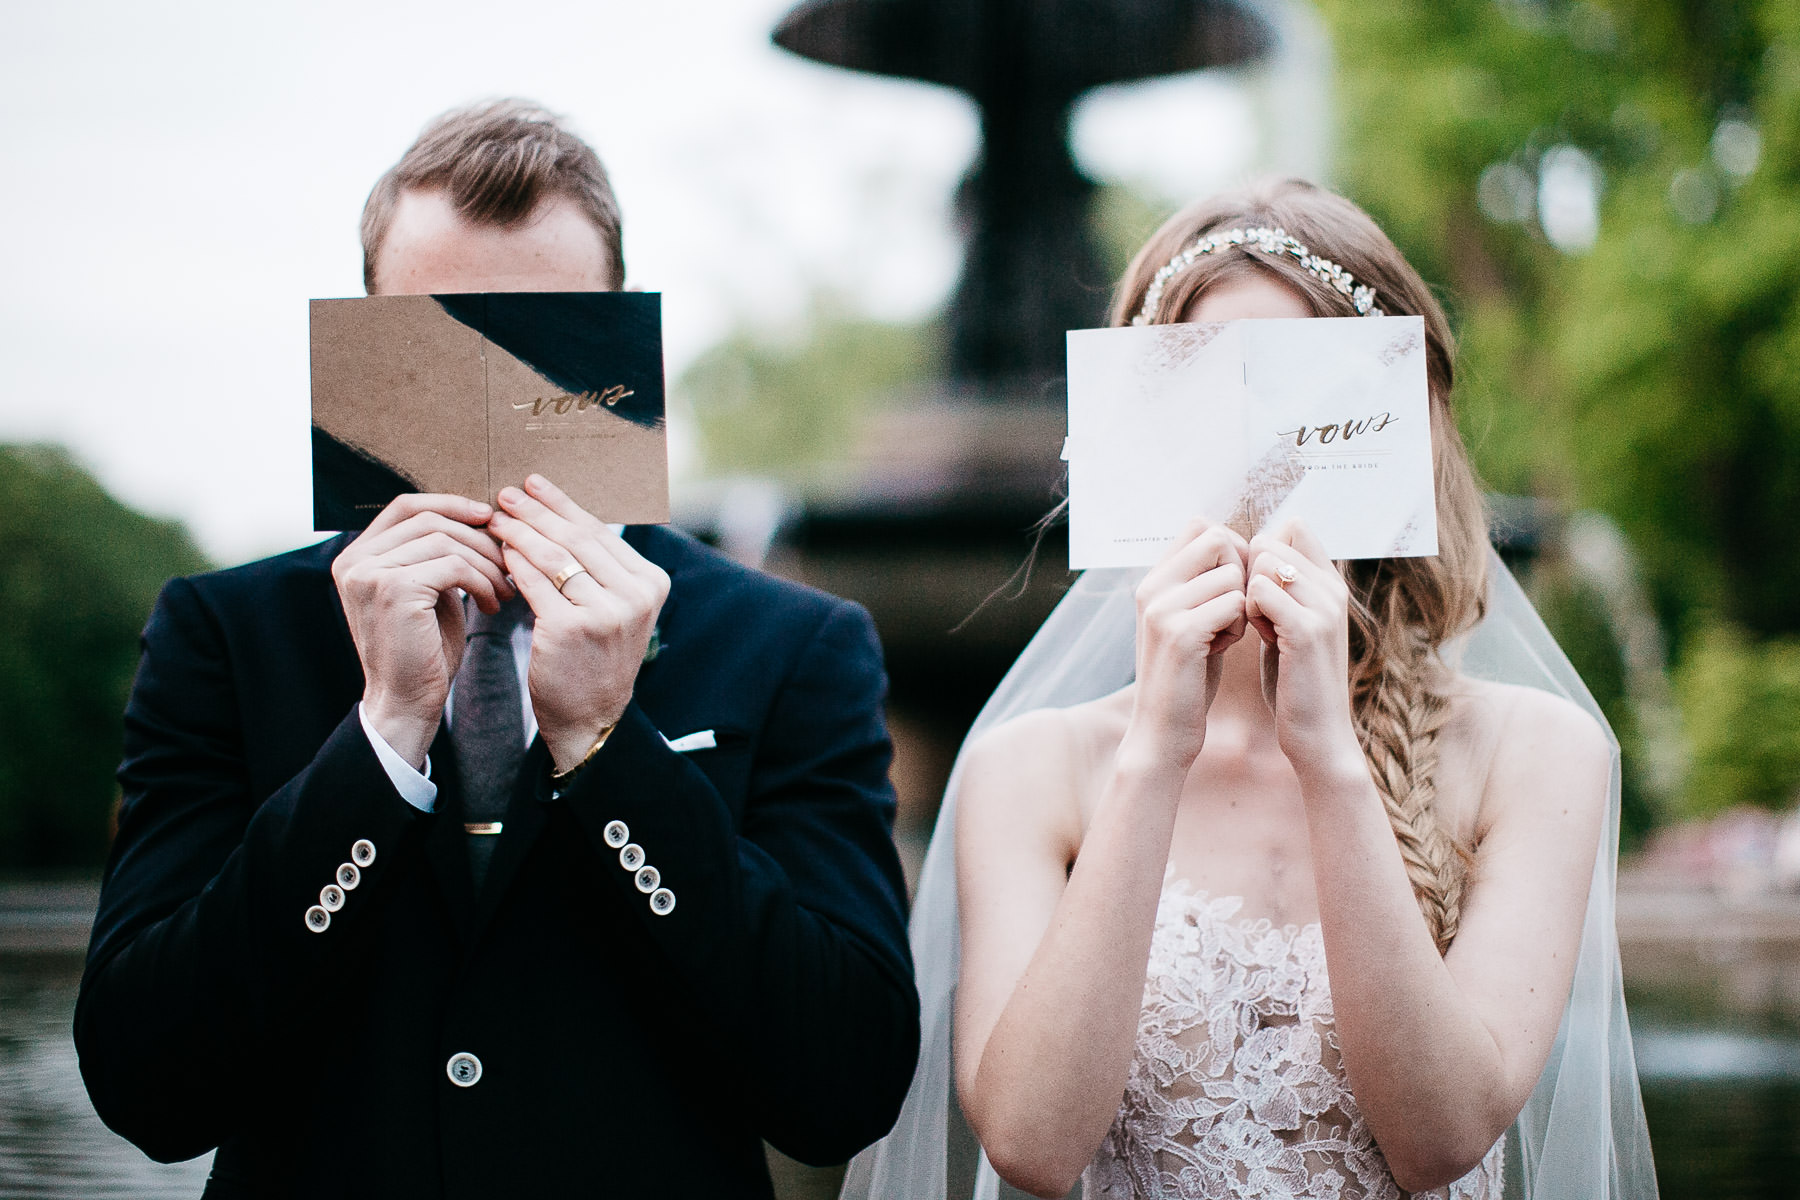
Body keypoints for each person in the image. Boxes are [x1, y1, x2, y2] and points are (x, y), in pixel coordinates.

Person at [75, 100, 920, 1198]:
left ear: (618, 348)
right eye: (431, 341)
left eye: (543, 347)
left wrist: (611, 750)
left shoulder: (794, 644)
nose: (487, 398)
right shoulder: (230, 635)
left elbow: (842, 1089)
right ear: (367, 340)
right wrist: (379, 740)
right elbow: (147, 1088)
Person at [841, 179, 1657, 1200]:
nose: (1254, 460)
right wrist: (1153, 755)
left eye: (1306, 399)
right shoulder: (1034, 768)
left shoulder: (1539, 750)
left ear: (1394, 426)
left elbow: (1442, 1136)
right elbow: (1031, 1146)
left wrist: (1330, 764)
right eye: (1201, 398)